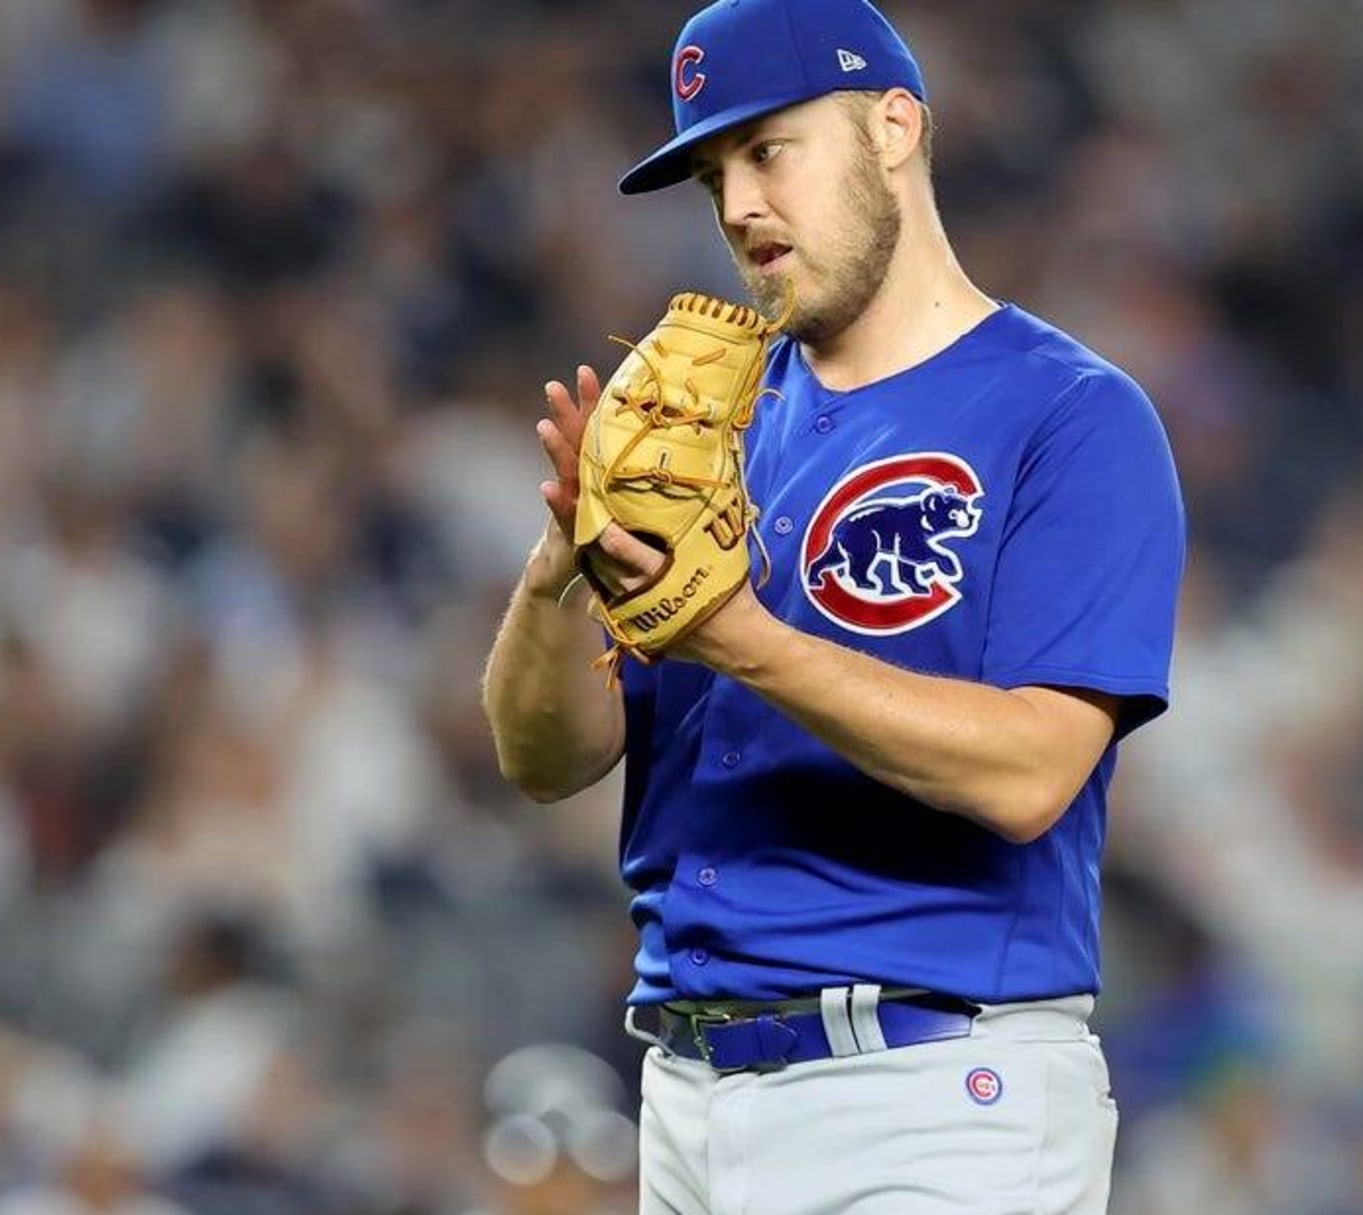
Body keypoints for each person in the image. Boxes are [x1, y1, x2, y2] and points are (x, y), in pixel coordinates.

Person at [479, 1, 1186, 1210]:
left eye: (768, 150)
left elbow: (1030, 774)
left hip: (936, 1100)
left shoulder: (1069, 416)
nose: (739, 204)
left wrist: (744, 642)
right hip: (687, 1100)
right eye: (712, 176)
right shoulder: (707, 424)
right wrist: (559, 568)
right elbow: (545, 757)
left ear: (896, 126)